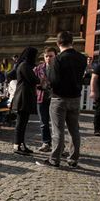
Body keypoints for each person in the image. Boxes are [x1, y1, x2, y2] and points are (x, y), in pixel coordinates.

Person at [36, 31, 87, 168]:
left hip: (59, 98)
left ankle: (54, 159)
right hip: (75, 98)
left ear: (58, 43)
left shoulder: (58, 59)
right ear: (72, 42)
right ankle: (73, 158)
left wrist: (48, 88)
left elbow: (53, 80)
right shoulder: (82, 58)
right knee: (74, 130)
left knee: (57, 131)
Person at [12, 47, 40, 155]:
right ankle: (17, 145)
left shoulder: (26, 65)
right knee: (20, 124)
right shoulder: (24, 66)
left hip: (26, 98)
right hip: (22, 99)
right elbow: (33, 79)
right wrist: (40, 80)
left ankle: (21, 144)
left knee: (23, 124)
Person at [33, 47, 57, 152]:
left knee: (57, 123)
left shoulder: (58, 68)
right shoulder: (38, 69)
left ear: (55, 56)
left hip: (55, 98)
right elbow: (32, 82)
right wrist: (39, 85)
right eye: (46, 56)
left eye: (51, 56)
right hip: (41, 97)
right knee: (44, 122)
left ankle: (58, 145)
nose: (48, 58)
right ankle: (46, 143)